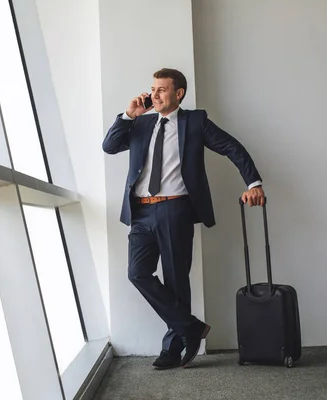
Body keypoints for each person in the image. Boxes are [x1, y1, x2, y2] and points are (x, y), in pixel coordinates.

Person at [102, 68, 265, 370]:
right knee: (137, 273)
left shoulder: (194, 122)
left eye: (162, 89)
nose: (155, 94)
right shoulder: (141, 122)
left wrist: (253, 182)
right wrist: (128, 115)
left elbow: (231, 147)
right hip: (141, 210)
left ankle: (172, 348)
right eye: (153, 89)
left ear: (179, 94)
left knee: (176, 279)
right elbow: (109, 146)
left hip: (174, 209)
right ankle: (190, 327)